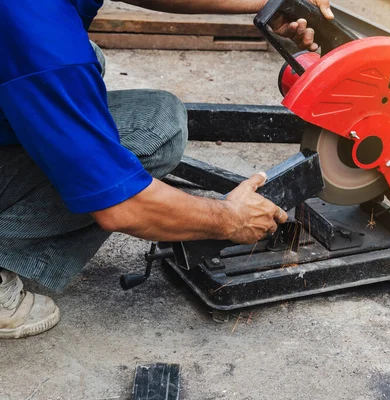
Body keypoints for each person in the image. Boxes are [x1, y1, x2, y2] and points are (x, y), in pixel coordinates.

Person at [0, 0, 333, 339]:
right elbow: (121, 206)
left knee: (93, 67)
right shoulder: (41, 37)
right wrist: (230, 218)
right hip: (35, 45)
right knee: (156, 131)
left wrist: (267, 1)